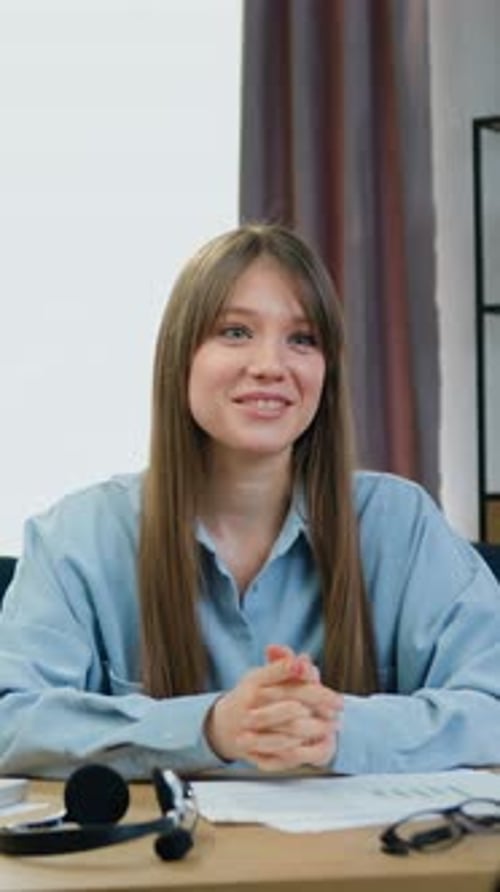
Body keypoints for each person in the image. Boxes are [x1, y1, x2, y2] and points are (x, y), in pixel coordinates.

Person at [0, 223, 499, 780]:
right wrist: (210, 728)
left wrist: (334, 729)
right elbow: (10, 718)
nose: (270, 365)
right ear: (180, 358)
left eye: (302, 339)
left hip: (367, 839)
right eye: (235, 332)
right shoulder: (76, 536)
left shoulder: (400, 523)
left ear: (327, 372)